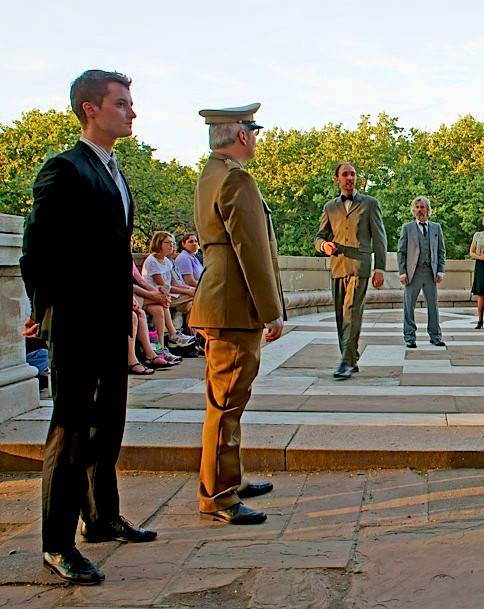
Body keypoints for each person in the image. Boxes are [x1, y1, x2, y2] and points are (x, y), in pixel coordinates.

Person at [20, 69, 156, 585]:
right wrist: (45, 311)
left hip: (110, 319)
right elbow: (38, 250)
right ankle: (57, 543)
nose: (132, 112)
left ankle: (101, 517)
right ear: (90, 109)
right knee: (71, 431)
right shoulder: (63, 169)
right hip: (75, 322)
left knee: (109, 423)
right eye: (121, 103)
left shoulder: (117, 172)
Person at [189, 103, 285, 525]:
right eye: (256, 131)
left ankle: (229, 477)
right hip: (233, 306)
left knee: (228, 400)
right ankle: (218, 495)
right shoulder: (236, 178)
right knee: (227, 402)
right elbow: (253, 252)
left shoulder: (211, 174)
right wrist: (272, 311)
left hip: (219, 300)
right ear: (243, 135)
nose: (258, 138)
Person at [315, 162, 387, 379]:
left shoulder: (370, 204)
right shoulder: (329, 207)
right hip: (337, 267)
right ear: (337, 179)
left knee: (351, 313)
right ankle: (350, 358)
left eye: (353, 174)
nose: (350, 178)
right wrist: (323, 246)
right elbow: (319, 236)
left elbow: (380, 238)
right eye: (345, 174)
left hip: (360, 267)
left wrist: (380, 268)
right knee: (340, 316)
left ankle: (346, 361)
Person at [397, 196, 446, 348]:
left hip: (430, 271)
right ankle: (410, 337)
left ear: (428, 209)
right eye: (417, 207)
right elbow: (401, 251)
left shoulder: (436, 227)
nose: (419, 210)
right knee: (409, 305)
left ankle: (435, 336)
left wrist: (441, 271)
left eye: (422, 207)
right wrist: (402, 272)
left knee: (433, 305)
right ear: (414, 210)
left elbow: (441, 251)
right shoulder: (407, 227)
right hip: (413, 272)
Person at [142, 231, 197, 349]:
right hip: (157, 294)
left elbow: (175, 283)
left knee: (193, 303)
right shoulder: (152, 261)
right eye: (167, 243)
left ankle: (193, 342)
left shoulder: (167, 261)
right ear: (158, 244)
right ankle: (175, 337)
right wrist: (188, 291)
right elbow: (163, 286)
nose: (171, 246)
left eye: (172, 243)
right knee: (196, 298)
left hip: (169, 294)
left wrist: (190, 288)